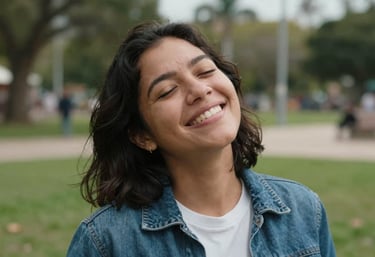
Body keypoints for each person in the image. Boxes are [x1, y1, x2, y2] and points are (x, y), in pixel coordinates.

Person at [67, 22, 336, 257]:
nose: (199, 90)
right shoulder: (106, 242)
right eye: (168, 90)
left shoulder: (303, 209)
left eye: (205, 71)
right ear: (142, 135)